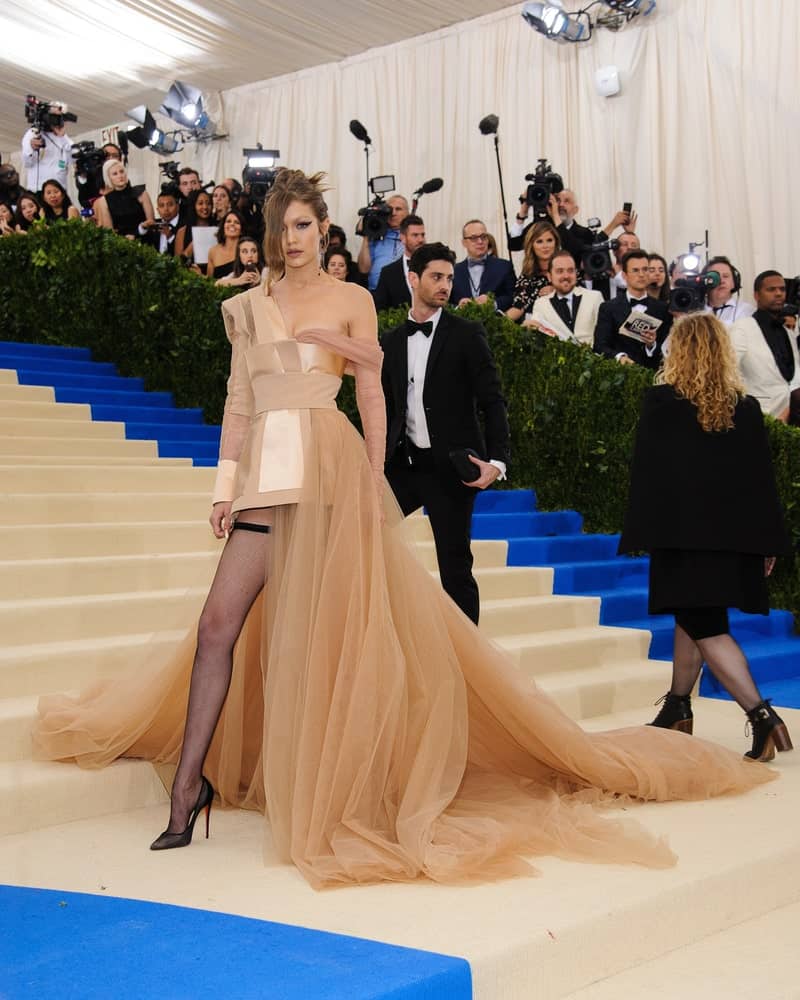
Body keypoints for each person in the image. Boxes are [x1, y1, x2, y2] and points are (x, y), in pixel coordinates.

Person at [33, 169, 775, 891]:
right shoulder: (247, 305)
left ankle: (346, 786)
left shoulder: (355, 297)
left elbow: (371, 393)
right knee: (218, 625)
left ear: (322, 229)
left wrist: (368, 471)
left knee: (331, 637)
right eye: (279, 226)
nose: (289, 240)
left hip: (330, 470)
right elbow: (237, 403)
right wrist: (225, 488)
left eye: (302, 226)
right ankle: (187, 787)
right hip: (265, 475)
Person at [620, 313, 793, 760]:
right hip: (731, 540)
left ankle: (761, 715)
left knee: (705, 625)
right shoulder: (746, 407)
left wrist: (641, 531)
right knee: (692, 618)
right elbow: (760, 482)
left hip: (681, 539)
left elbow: (648, 476)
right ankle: (677, 707)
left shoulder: (661, 402)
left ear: (679, 350)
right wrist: (767, 542)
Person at [382, 241, 510, 624]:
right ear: (412, 278)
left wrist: (497, 461)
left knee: (455, 569)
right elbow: (384, 408)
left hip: (452, 471)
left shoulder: (467, 334)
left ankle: (469, 667)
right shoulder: (389, 341)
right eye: (436, 277)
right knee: (358, 538)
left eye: (450, 278)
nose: (445, 285)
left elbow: (493, 400)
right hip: (402, 468)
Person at [728, 270, 800, 423]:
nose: (779, 294)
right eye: (771, 289)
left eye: (782, 289)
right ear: (756, 295)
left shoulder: (789, 332)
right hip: (758, 416)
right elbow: (729, 373)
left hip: (791, 417)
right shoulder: (742, 328)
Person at [594, 250, 672, 367]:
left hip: (653, 376)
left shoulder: (663, 309)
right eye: (635, 270)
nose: (641, 274)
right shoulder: (608, 308)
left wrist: (651, 345)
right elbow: (600, 346)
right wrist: (619, 356)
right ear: (625, 275)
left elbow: (666, 348)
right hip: (619, 376)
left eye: (645, 269)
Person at [527, 250, 603, 346]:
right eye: (560, 271)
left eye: (570, 271)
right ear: (549, 276)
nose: (566, 276)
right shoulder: (541, 304)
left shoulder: (594, 297)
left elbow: (604, 337)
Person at [451, 219, 516, 312]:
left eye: (483, 236)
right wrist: (458, 307)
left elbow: (513, 297)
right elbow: (445, 301)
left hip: (495, 323)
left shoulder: (504, 266)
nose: (480, 241)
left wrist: (493, 304)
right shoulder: (454, 270)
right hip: (461, 323)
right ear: (464, 243)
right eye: (474, 238)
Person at [504, 220, 559, 323]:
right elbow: (518, 307)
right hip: (534, 328)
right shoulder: (527, 277)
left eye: (549, 240)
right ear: (531, 245)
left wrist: (557, 290)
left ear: (556, 243)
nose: (545, 246)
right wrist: (496, 323)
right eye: (539, 241)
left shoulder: (567, 269)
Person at [372, 214, 426, 310]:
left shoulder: (433, 267)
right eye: (415, 235)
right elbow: (380, 310)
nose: (421, 240)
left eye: (423, 235)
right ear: (403, 238)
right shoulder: (388, 273)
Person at [356, 194, 408, 290]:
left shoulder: (412, 235)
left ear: (407, 213)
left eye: (398, 209)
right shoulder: (376, 234)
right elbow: (363, 269)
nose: (393, 213)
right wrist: (366, 236)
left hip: (403, 293)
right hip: (377, 292)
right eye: (390, 209)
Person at [93, 160, 155, 239]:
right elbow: (109, 232)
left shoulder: (141, 193)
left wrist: (136, 234)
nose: (120, 176)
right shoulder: (104, 201)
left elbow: (151, 222)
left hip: (145, 239)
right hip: (121, 243)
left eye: (122, 172)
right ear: (108, 178)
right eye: (115, 174)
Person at [21, 115, 73, 191]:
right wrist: (31, 148)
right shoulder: (33, 133)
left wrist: (62, 136)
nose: (56, 120)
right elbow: (27, 163)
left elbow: (74, 158)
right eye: (54, 117)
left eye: (59, 118)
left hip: (59, 190)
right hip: (38, 190)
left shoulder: (63, 138)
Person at [703, 256, 754, 325]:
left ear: (734, 282)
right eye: (715, 277)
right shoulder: (694, 310)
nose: (721, 281)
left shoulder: (746, 310)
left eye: (725, 276)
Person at [174, 190, 214, 271]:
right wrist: (196, 241)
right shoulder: (183, 231)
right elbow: (178, 263)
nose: (205, 207)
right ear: (193, 206)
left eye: (208, 203)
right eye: (200, 203)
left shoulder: (217, 228)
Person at [207, 210, 245, 279]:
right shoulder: (213, 251)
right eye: (228, 221)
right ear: (223, 226)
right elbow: (210, 281)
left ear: (241, 230)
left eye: (236, 222)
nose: (232, 224)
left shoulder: (246, 250)